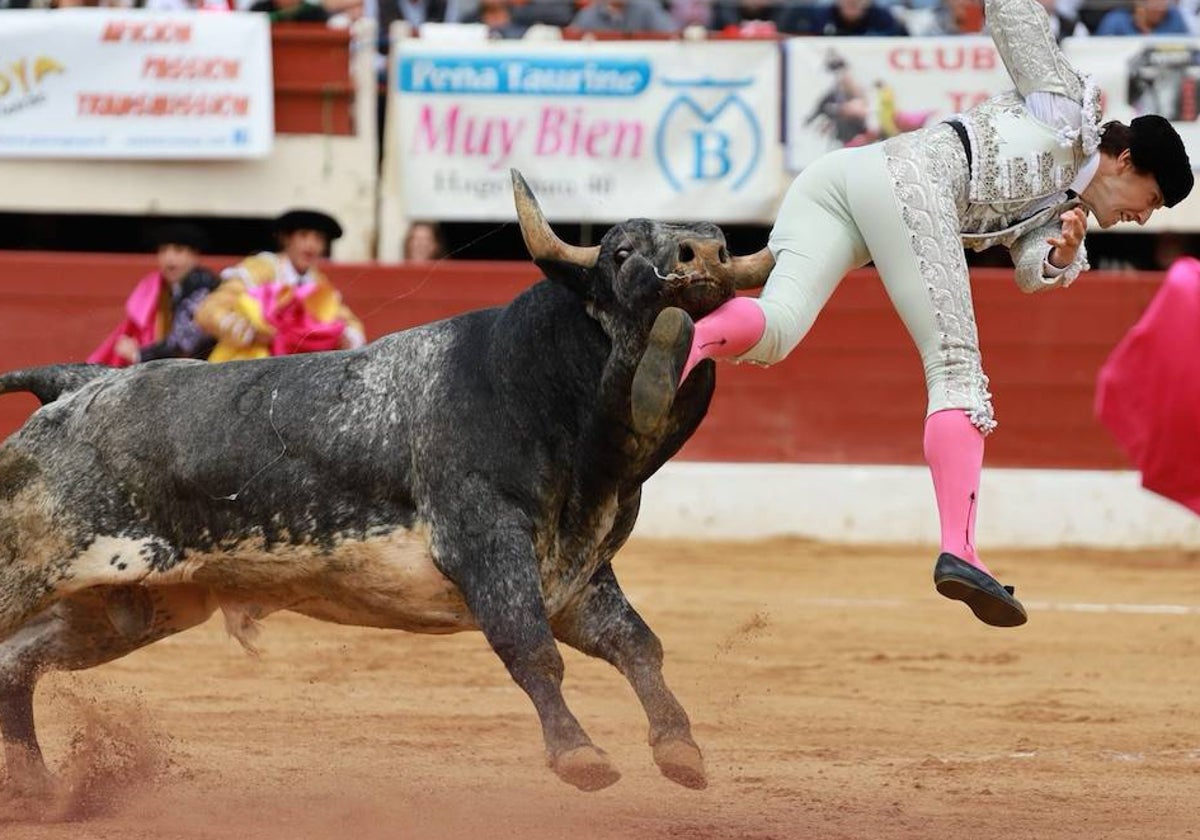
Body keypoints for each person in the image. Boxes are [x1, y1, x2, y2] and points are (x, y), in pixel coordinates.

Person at [630, 0, 1194, 628]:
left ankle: (686, 347)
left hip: (849, 179)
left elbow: (1035, 270)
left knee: (779, 327)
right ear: (1125, 161)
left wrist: (1061, 255)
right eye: (1153, 198)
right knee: (956, 370)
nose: (1146, 217)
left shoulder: (1065, 214)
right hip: (911, 183)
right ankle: (961, 547)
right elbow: (1013, 15)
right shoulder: (1065, 108)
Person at [196, 209, 366, 362]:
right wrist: (252, 333)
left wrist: (343, 338)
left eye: (318, 238)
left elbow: (349, 324)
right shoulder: (260, 270)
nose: (311, 245)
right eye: (304, 235)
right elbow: (208, 311)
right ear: (286, 239)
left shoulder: (319, 284)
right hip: (247, 365)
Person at [88, 222, 220, 367]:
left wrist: (140, 354)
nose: (169, 259)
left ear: (194, 256)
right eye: (163, 251)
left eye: (178, 251)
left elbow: (186, 342)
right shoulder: (169, 288)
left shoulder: (202, 286)